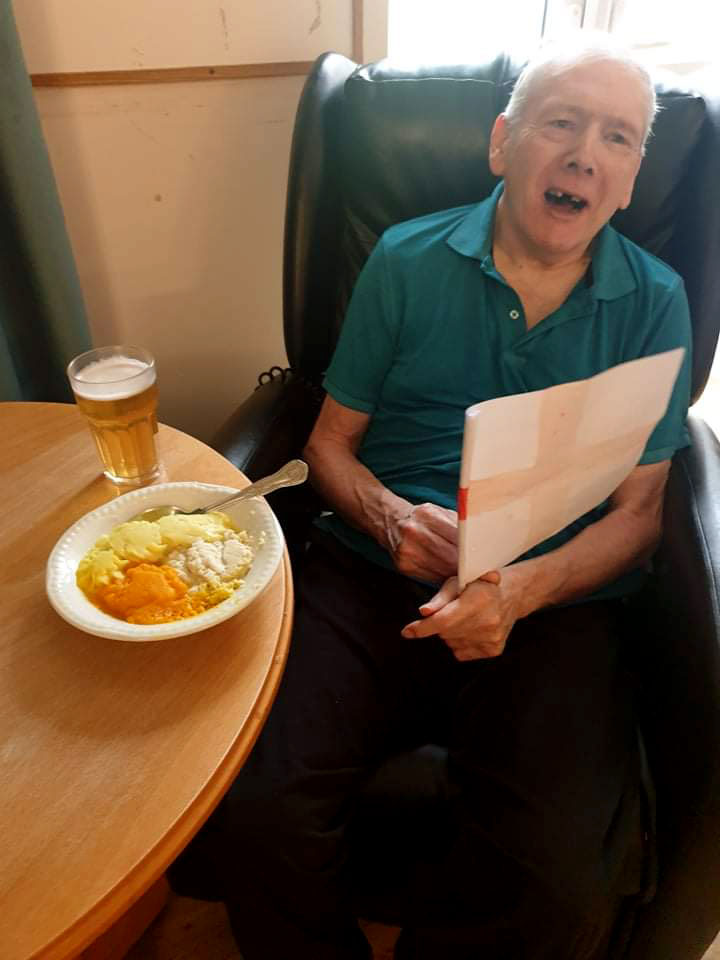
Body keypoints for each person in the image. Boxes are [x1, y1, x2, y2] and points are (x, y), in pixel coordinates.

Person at [205, 36, 692, 960]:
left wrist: (523, 587)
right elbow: (329, 444)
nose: (585, 155)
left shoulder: (656, 302)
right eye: (561, 123)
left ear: (631, 180)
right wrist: (390, 517)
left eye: (618, 138)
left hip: (554, 600)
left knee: (557, 879)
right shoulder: (404, 259)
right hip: (371, 572)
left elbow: (639, 515)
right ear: (503, 142)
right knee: (258, 812)